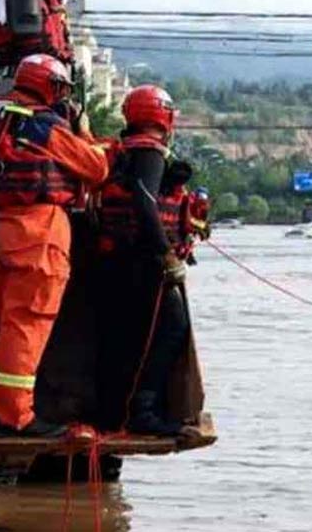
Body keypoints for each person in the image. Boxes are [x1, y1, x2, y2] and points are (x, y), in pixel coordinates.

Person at [0, 54, 108, 437]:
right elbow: (96, 169)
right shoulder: (45, 126)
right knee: (26, 327)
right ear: (49, 87)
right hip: (35, 236)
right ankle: (14, 417)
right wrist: (84, 132)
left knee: (8, 330)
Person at [92, 85, 202, 436]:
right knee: (172, 328)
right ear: (164, 116)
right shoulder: (148, 152)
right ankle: (144, 410)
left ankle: (113, 414)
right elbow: (144, 205)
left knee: (125, 337)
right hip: (142, 261)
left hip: (117, 261)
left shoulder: (123, 152)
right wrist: (167, 256)